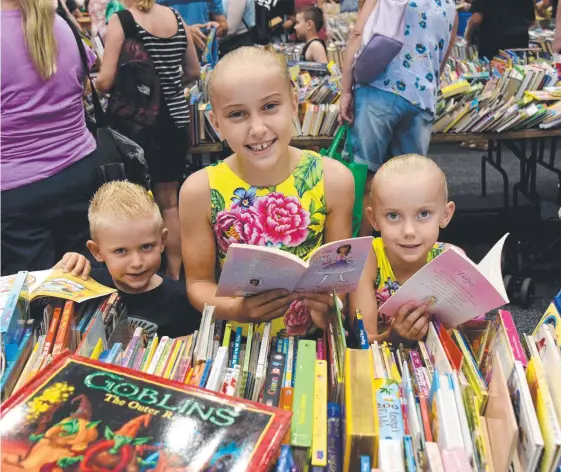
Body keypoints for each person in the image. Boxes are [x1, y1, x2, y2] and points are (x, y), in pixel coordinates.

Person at [179, 46, 355, 336]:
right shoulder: (199, 190)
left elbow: (339, 275)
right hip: (238, 342)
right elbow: (198, 284)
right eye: (237, 114)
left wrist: (329, 306)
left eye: (270, 107)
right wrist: (237, 309)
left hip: (314, 338)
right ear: (216, 123)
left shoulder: (333, 180)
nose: (257, 128)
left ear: (295, 104)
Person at [95, 0, 200, 280]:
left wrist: (88, 84)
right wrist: (170, 83)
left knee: (133, 201)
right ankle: (176, 277)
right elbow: (194, 71)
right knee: (169, 203)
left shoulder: (121, 21)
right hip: (175, 122)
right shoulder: (176, 18)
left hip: (135, 125)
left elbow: (105, 80)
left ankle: (140, 276)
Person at [340, 0, 458, 237]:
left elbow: (357, 36)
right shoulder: (450, 7)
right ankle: (405, 256)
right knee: (409, 184)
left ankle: (363, 258)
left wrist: (345, 90)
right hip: (421, 99)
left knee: (365, 179)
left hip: (379, 89)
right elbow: (442, 58)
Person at [1, 0, 99, 275]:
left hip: (16, 189)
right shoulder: (62, 25)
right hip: (80, 170)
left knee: (34, 299)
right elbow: (83, 89)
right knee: (89, 277)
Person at [58, 181, 202, 338]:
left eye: (146, 247)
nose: (137, 263)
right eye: (121, 251)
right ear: (97, 251)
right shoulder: (86, 282)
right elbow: (37, 307)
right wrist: (59, 273)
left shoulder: (181, 299)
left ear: (162, 241)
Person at [349, 154, 458, 344]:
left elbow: (459, 338)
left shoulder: (451, 260)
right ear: (373, 218)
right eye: (393, 216)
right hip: (382, 365)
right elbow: (362, 339)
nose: (409, 231)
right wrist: (393, 338)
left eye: (423, 214)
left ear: (446, 215)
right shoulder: (367, 259)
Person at [465, 0, 534, 60]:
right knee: (519, 72)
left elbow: (475, 20)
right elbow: (531, 21)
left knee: (493, 73)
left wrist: (468, 38)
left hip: (491, 46)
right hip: (519, 44)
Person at [158, 0, 228, 51]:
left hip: (205, 55)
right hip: (173, 55)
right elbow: (154, 28)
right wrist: (186, 32)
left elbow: (223, 24)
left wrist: (218, 27)